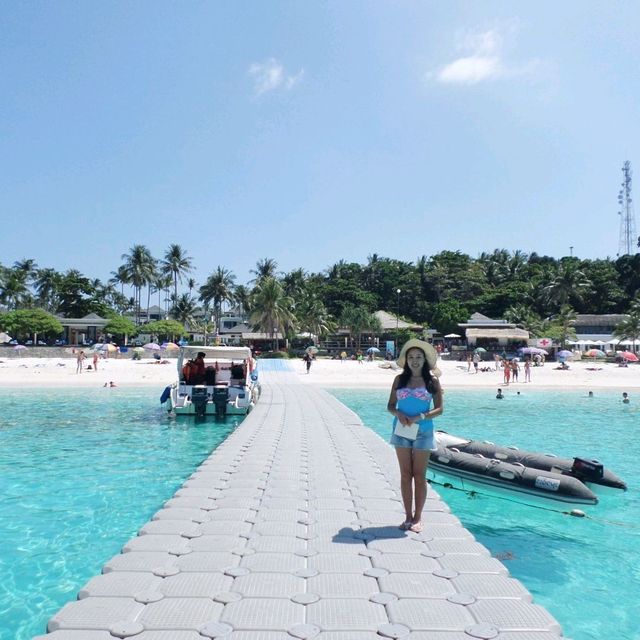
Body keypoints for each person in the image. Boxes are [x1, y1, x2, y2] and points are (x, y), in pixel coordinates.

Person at [387, 339, 443, 534]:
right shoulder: (399, 380)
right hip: (401, 430)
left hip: (424, 431)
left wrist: (419, 417)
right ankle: (407, 517)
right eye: (411, 357)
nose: (414, 360)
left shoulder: (432, 381)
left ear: (425, 360)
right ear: (406, 360)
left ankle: (418, 517)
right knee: (405, 475)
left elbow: (439, 409)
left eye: (418, 357)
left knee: (419, 476)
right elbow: (390, 406)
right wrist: (398, 414)